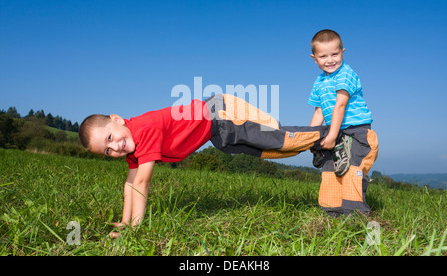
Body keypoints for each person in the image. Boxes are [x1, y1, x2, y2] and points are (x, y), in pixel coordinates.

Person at [79, 93, 330, 235]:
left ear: (117, 119)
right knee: (266, 151)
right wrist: (124, 221)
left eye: (110, 138)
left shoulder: (144, 130)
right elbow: (130, 184)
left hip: (221, 114)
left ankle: (332, 136)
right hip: (215, 130)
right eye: (107, 150)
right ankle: (318, 145)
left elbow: (142, 183)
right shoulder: (134, 144)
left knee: (277, 139)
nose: (115, 148)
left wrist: (134, 228)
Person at [307, 29, 379, 217]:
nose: (330, 60)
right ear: (314, 58)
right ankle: (333, 212)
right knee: (330, 171)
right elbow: (319, 111)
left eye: (335, 54)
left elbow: (340, 106)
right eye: (323, 56)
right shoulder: (319, 81)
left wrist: (331, 136)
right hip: (336, 132)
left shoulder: (346, 74)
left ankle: (355, 215)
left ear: (342, 52)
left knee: (352, 170)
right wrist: (312, 138)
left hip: (356, 131)